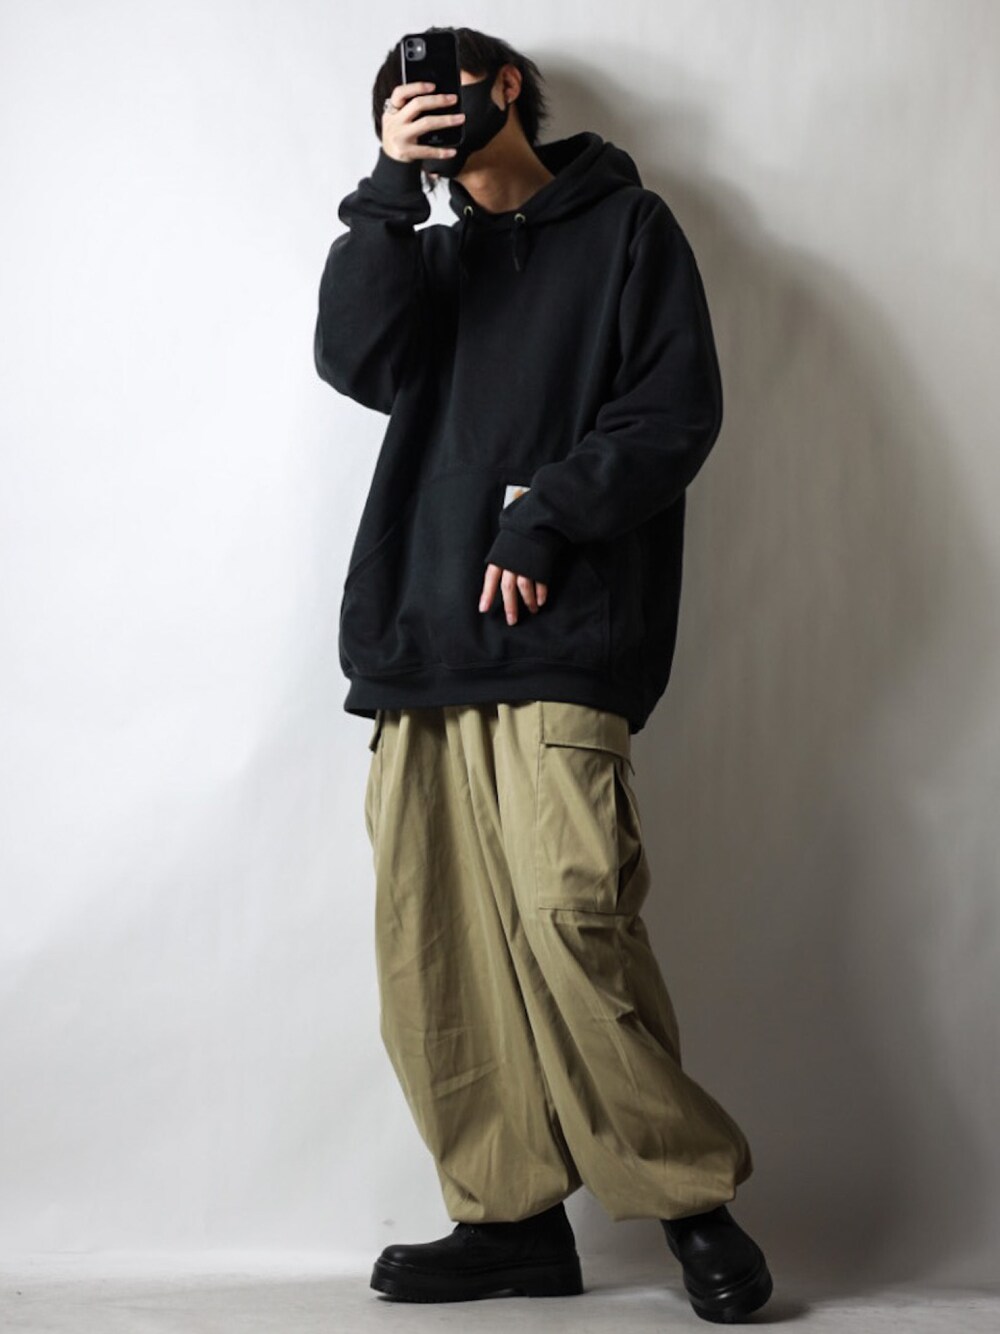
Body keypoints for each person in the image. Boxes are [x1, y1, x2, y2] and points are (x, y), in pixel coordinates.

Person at [313, 25, 773, 1322]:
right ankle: (508, 1219)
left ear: (504, 85)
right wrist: (387, 193)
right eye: (399, 106)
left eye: (440, 87)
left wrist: (547, 516)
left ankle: (691, 1199)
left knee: (576, 914)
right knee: (435, 945)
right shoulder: (425, 258)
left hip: (563, 631)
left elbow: (672, 408)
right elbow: (354, 359)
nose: (424, 111)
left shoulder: (628, 229)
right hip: (421, 643)